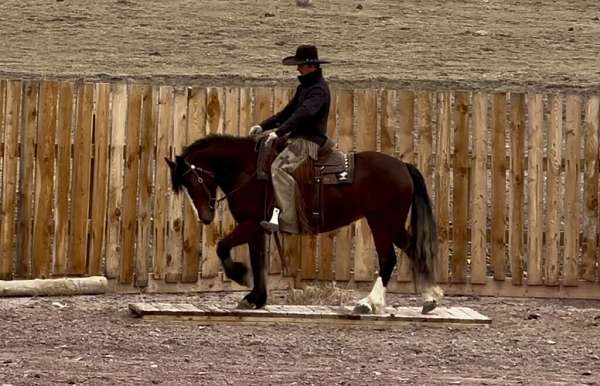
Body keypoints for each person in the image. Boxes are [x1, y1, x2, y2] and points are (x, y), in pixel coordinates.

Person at [250, 45, 331, 234]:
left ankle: (288, 222)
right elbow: (287, 112)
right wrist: (263, 126)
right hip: (297, 138)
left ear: (311, 66)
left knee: (278, 169)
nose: (297, 69)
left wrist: (279, 132)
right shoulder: (305, 87)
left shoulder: (318, 90)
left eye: (300, 65)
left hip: (309, 141)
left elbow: (303, 114)